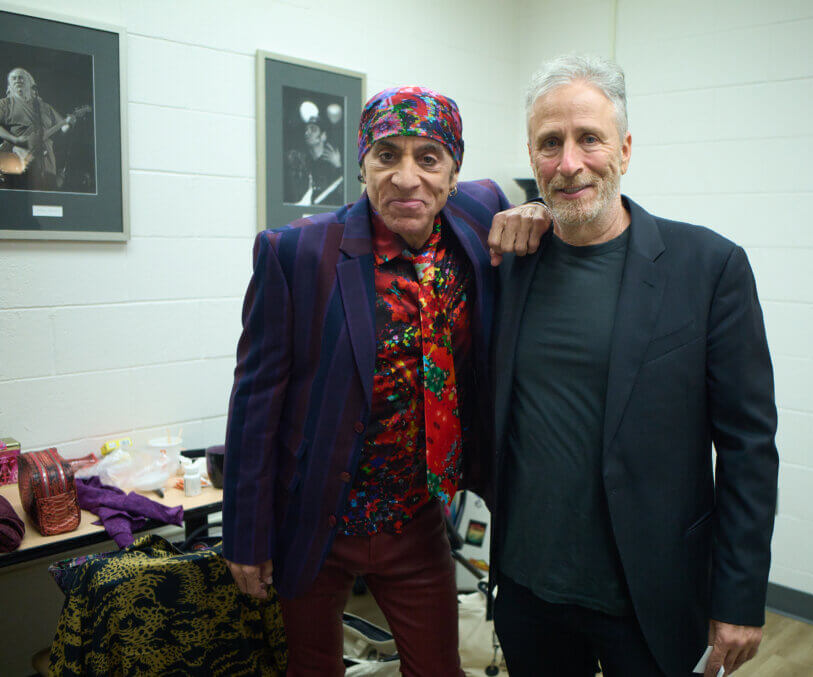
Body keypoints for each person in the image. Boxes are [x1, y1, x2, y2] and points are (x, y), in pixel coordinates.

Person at [222, 85, 547, 676]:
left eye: (427, 157)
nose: (405, 177)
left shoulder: (480, 214)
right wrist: (245, 535)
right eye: (386, 155)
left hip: (416, 517)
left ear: (454, 171)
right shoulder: (295, 252)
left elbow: (538, 218)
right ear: (362, 162)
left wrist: (539, 211)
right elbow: (255, 400)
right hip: (315, 513)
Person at [488, 55, 779, 677]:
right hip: (528, 592)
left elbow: (749, 446)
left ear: (624, 149)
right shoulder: (508, 264)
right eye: (549, 144)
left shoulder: (708, 268)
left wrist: (739, 596)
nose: (569, 163)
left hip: (650, 599)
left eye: (588, 138)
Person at [0, 67, 77, 190]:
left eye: (21, 77)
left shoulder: (45, 107)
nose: (18, 80)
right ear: (10, 84)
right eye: (14, 78)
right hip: (18, 156)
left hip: (45, 158)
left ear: (31, 84)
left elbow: (62, 130)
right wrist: (14, 139)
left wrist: (70, 122)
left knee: (47, 192)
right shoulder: (5, 103)